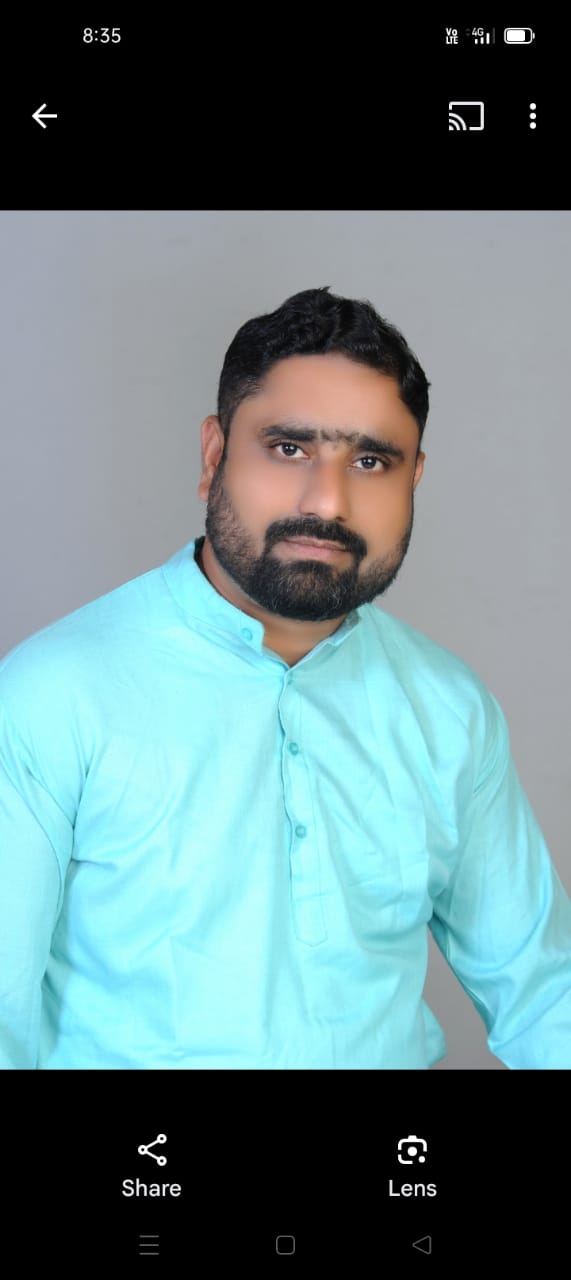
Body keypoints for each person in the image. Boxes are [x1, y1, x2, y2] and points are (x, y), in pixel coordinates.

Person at [1, 286, 570, 1071]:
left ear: (412, 480)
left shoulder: (448, 707)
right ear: (213, 455)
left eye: (370, 461)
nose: (326, 502)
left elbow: (542, 992)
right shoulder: (56, 691)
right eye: (289, 449)